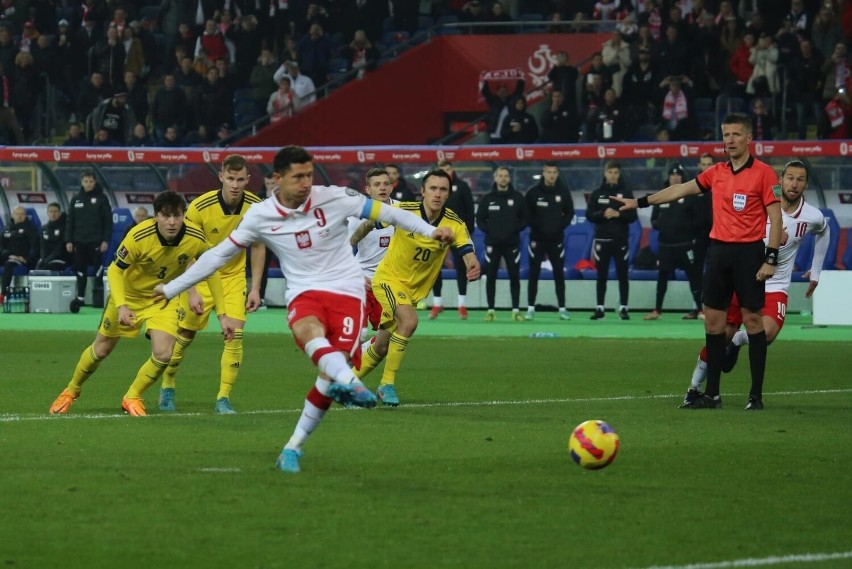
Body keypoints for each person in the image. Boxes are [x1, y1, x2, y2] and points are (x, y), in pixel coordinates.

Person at [152, 145, 454, 474]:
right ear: (278, 179)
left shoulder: (334, 197)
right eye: (298, 177)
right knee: (308, 330)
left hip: (346, 291)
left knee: (327, 379)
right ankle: (350, 382)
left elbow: (389, 213)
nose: (306, 182)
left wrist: (430, 229)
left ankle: (293, 446)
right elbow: (216, 256)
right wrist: (171, 288)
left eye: (309, 174)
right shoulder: (261, 215)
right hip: (305, 293)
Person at [612, 113, 782, 410]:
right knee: (714, 323)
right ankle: (712, 394)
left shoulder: (766, 174)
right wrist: (640, 202)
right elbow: (679, 189)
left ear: (749, 139)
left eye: (736, 134)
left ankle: (756, 396)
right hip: (718, 253)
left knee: (753, 321)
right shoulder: (716, 172)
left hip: (749, 254)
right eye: (726, 134)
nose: (729, 140)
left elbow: (776, 218)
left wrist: (770, 258)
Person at [48, 191, 227, 416]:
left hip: (161, 298)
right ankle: (71, 390)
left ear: (184, 215)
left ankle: (132, 396)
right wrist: (122, 305)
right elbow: (115, 270)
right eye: (166, 216)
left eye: (177, 216)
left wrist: (220, 311)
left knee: (164, 353)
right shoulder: (139, 235)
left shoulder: (195, 237)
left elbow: (210, 269)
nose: (172, 222)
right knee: (101, 349)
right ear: (155, 216)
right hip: (129, 297)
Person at [680, 160, 829, 409]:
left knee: (766, 334)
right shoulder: (761, 205)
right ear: (780, 180)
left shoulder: (811, 215)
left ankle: (739, 343)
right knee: (718, 338)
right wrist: (767, 237)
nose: (794, 184)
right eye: (789, 178)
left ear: (806, 184)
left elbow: (824, 231)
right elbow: (739, 233)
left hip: (775, 286)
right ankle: (693, 388)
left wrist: (816, 270)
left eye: (800, 179)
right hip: (744, 281)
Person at [354, 169, 480, 406]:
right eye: (433, 188)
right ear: (422, 192)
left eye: (443, 189)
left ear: (448, 194)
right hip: (388, 279)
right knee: (409, 322)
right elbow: (369, 226)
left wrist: (472, 264)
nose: (437, 194)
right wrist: (356, 237)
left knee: (381, 346)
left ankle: (344, 385)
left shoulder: (454, 223)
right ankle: (386, 384)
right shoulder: (404, 212)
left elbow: (466, 251)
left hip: (413, 290)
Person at [157, 155, 265, 414]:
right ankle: (168, 385)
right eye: (231, 178)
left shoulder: (257, 207)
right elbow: (188, 250)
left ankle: (223, 398)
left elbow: (259, 246)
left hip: (233, 278)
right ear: (221, 177)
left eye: (240, 179)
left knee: (235, 336)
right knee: (184, 336)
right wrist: (192, 289)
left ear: (248, 180)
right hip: (201, 277)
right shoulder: (200, 207)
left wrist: (256, 287)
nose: (236, 184)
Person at [644, 163, 705, 321]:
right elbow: (654, 220)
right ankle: (657, 310)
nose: (675, 177)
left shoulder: (690, 196)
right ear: (669, 177)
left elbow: (699, 220)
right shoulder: (662, 195)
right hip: (666, 245)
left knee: (694, 277)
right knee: (662, 277)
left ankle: (700, 309)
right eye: (672, 175)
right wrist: (663, 224)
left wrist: (682, 227)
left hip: (684, 244)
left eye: (678, 175)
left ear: (682, 177)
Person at [348, 168, 397, 338]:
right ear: (368, 190)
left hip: (390, 284)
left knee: (386, 338)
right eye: (377, 185)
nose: (382, 188)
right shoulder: (357, 216)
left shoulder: (403, 212)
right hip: (363, 281)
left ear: (391, 187)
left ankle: (362, 362)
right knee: (358, 334)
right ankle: (350, 362)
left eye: (386, 184)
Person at [524, 162, 575, 321]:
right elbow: (527, 214)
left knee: (559, 274)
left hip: (556, 239)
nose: (551, 175)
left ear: (557, 174)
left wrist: (559, 226)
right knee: (534, 274)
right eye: (549, 172)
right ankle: (530, 308)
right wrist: (539, 228)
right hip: (537, 240)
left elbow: (569, 212)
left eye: (554, 172)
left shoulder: (564, 192)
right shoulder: (533, 192)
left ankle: (562, 308)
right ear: (543, 173)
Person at [586, 161, 636, 320]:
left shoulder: (626, 193)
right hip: (601, 240)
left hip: (620, 240)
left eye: (616, 172)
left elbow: (633, 216)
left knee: (622, 274)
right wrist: (602, 214)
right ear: (605, 173)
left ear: (619, 174)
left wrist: (618, 214)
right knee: (601, 275)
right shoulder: (597, 193)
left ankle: (623, 308)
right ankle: (600, 308)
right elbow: (589, 215)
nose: (613, 175)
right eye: (610, 172)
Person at [476, 166, 527, 321]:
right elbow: (479, 219)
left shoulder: (518, 197)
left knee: (514, 276)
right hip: (493, 243)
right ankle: (491, 310)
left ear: (509, 178)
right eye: (500, 176)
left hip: (512, 243)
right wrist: (491, 231)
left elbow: (525, 219)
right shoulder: (487, 198)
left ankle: (516, 311)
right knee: (491, 276)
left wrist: (513, 230)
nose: (503, 178)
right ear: (495, 178)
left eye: (506, 176)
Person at [430, 159, 475, 320]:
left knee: (461, 269)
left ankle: (461, 304)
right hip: (437, 233)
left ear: (452, 170)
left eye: (448, 169)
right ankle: (437, 303)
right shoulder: (433, 188)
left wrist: (467, 234)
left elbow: (470, 211)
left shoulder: (462, 187)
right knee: (434, 269)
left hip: (457, 234)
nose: (446, 172)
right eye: (442, 169)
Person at [66, 171, 112, 308]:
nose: (88, 184)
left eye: (91, 181)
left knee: (98, 269)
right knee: (80, 270)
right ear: (82, 182)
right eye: (86, 181)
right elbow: (70, 221)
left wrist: (105, 240)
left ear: (95, 182)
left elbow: (108, 221)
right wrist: (69, 240)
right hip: (79, 241)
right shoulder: (76, 199)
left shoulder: (102, 198)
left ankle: (98, 299)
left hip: (96, 241)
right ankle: (80, 298)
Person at [1, 206, 38, 299]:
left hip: (20, 258)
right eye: (17, 214)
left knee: (9, 264)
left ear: (26, 216)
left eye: (22, 214)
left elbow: (35, 248)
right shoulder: (6, 228)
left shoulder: (30, 230)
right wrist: (8, 255)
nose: (20, 216)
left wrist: (26, 259)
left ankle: (3, 295)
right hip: (7, 256)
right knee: (8, 260)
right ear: (12, 215)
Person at [36, 202, 70, 271]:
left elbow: (61, 247)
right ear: (47, 213)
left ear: (59, 213)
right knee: (37, 269)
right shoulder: (44, 228)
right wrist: (44, 258)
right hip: (47, 258)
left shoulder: (65, 227)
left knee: (46, 268)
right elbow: (42, 247)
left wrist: (48, 259)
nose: (53, 214)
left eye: (55, 211)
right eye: (51, 211)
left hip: (61, 258)